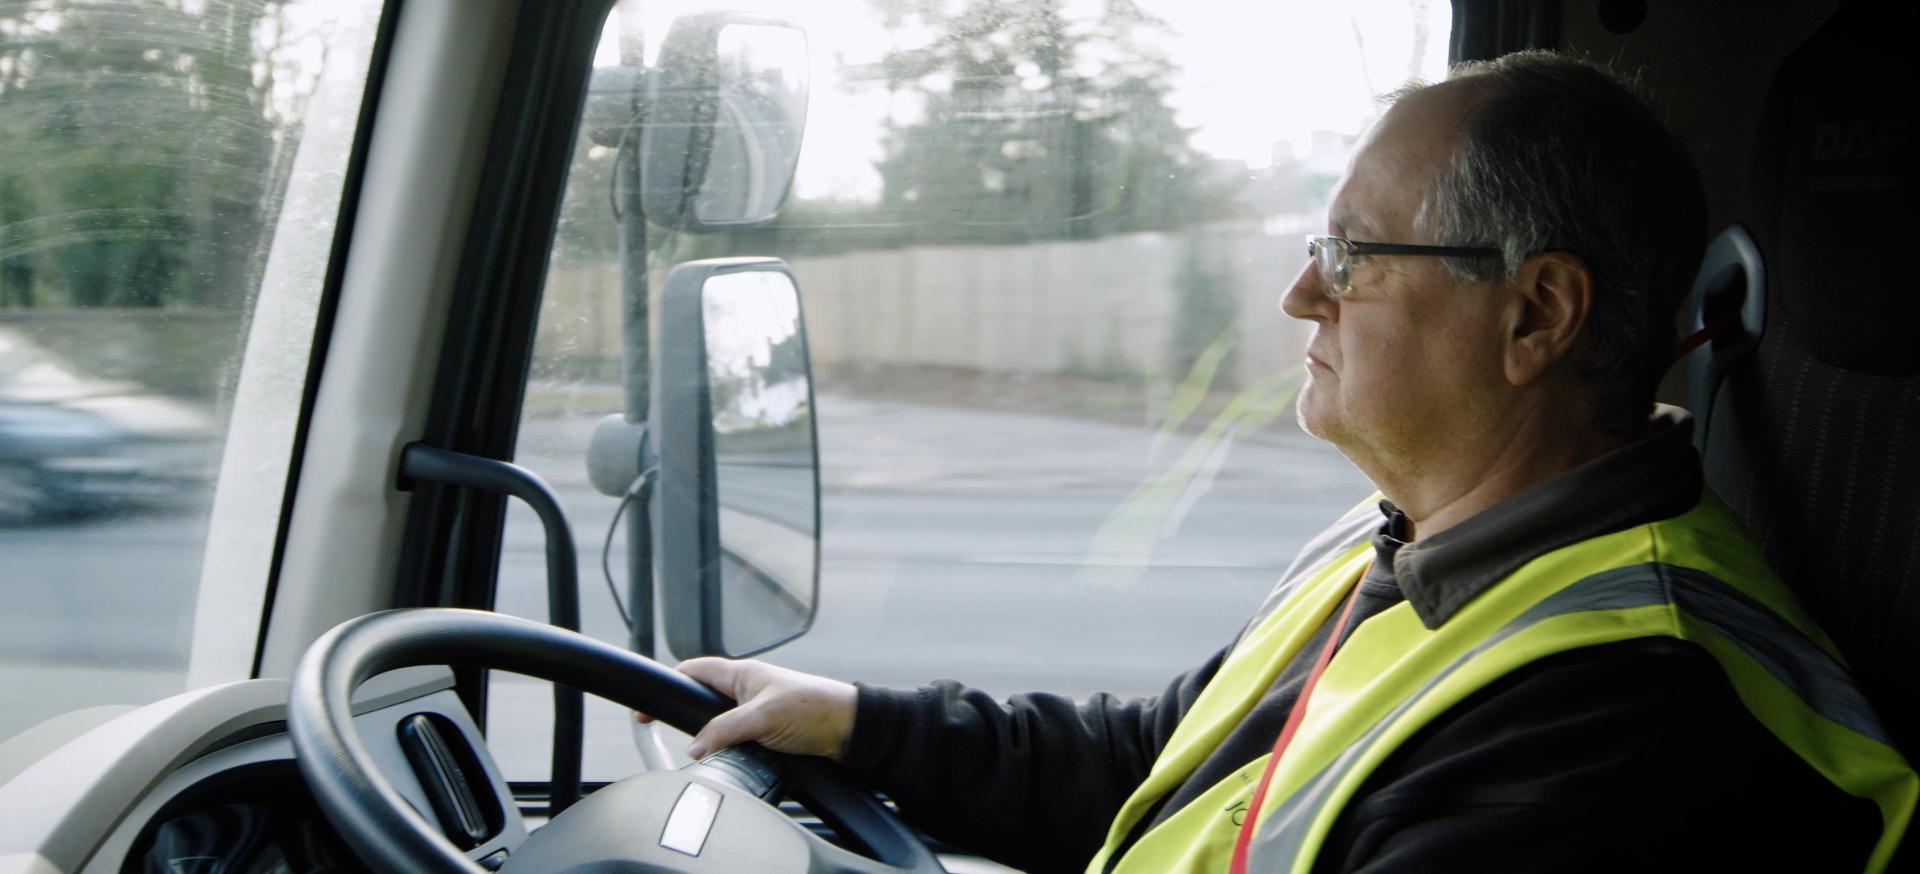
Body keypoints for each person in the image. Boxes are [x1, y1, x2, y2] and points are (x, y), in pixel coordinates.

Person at [639, 51, 1917, 872]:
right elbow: (1163, 760)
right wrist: (856, 723)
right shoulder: (1415, 540)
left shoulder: (1626, 714)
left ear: (1538, 316)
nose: (1304, 292)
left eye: (1357, 253)